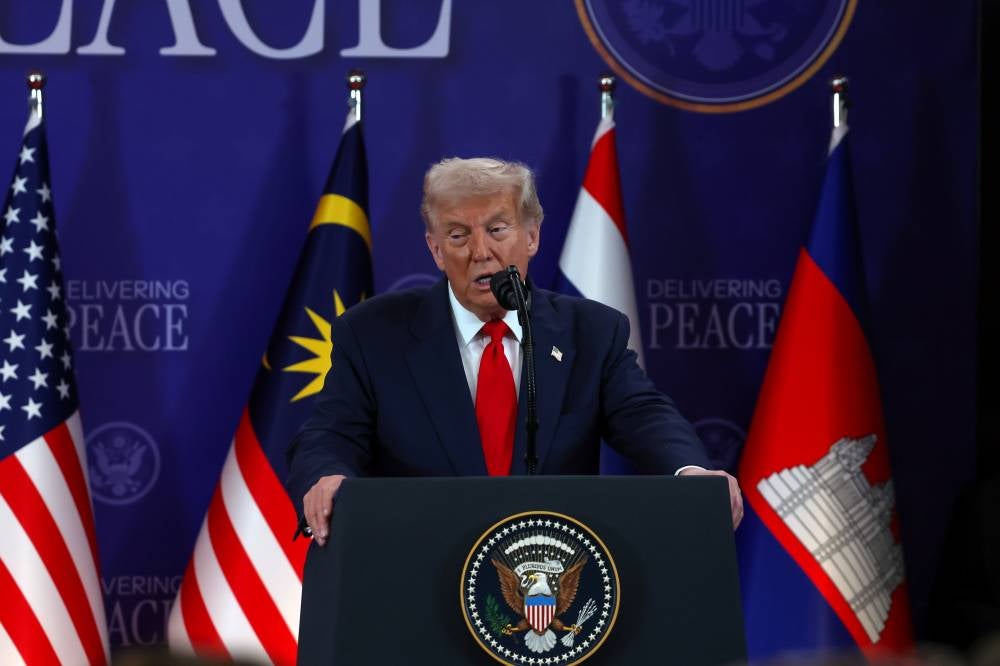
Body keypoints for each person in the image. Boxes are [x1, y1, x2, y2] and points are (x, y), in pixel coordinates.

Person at [287, 157, 743, 546]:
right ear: (436, 250)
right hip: (420, 559)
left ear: (532, 236)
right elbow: (329, 434)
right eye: (458, 235)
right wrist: (327, 476)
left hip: (551, 572)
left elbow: (643, 415)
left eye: (497, 229)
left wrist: (690, 473)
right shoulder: (373, 335)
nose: (481, 251)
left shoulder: (590, 332)